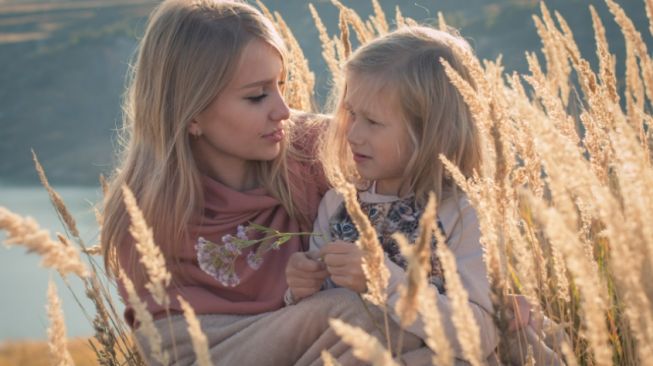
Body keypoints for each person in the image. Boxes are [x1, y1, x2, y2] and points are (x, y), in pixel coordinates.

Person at [100, 1, 423, 365]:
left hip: (313, 337)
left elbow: (427, 172)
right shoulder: (144, 211)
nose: (283, 110)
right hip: (208, 348)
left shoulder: (311, 148)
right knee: (349, 316)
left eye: (282, 86)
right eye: (257, 96)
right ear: (191, 113)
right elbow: (162, 343)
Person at [286, 25, 498, 363]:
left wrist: (383, 280)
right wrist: (299, 290)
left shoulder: (460, 213)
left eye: (372, 121)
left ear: (429, 131)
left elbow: (478, 335)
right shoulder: (339, 205)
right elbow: (321, 317)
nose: (353, 133)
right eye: (351, 113)